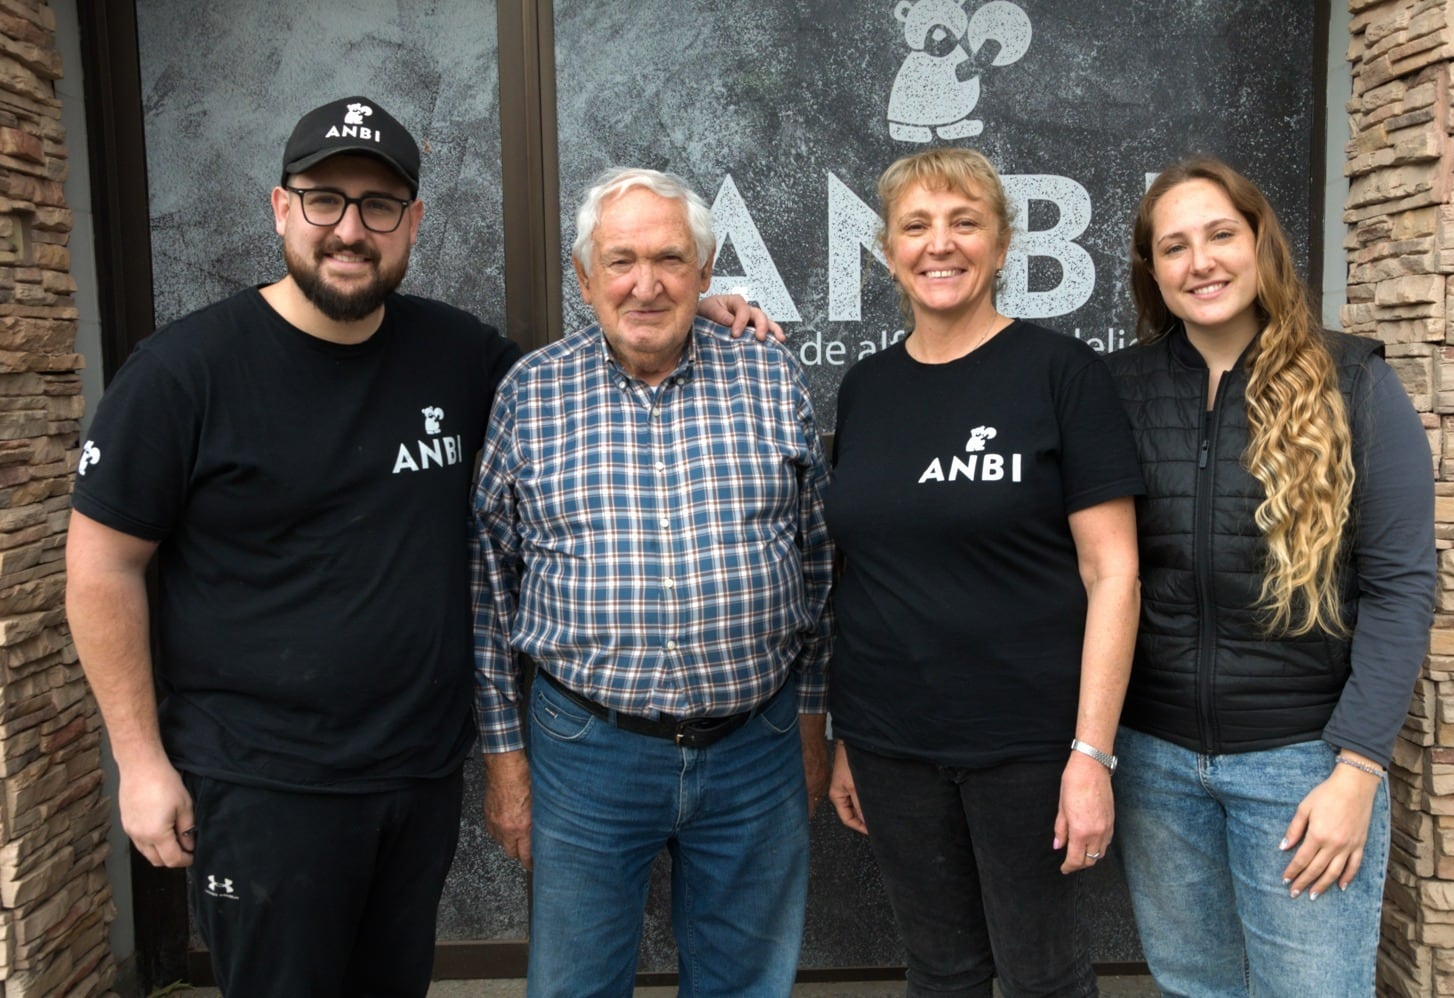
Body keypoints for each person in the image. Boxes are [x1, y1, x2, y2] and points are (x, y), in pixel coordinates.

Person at [64, 97, 773, 997]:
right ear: (281, 209)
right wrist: (139, 761)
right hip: (264, 785)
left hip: (415, 776)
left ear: (414, 223)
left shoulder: (460, 357)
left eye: (379, 205)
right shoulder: (182, 374)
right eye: (325, 200)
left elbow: (591, 376)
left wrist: (683, 305)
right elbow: (100, 567)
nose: (350, 229)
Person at [471, 165, 834, 997]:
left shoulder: (770, 376)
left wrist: (811, 720)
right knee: (576, 985)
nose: (646, 283)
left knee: (745, 983)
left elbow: (818, 563)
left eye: (670, 259)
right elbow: (488, 593)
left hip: (756, 746)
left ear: (706, 274)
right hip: (586, 751)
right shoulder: (530, 394)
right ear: (584, 276)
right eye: (621, 259)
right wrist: (504, 760)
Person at [1105, 155, 1436, 997]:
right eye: (1174, 246)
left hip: (1303, 769)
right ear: (1153, 271)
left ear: (1261, 244)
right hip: (1155, 765)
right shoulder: (1118, 391)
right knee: (1195, 989)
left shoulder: (1352, 379)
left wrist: (1358, 770)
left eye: (1221, 234)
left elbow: (1401, 587)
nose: (1201, 261)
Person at [824, 147, 1143, 998]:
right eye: (917, 225)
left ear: (1002, 247)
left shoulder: (1061, 374)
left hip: (1029, 747)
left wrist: (1091, 755)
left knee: (1042, 976)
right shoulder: (866, 389)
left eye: (965, 223)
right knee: (941, 971)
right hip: (892, 743)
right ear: (888, 249)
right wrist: (849, 737)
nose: (941, 244)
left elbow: (1114, 574)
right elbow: (863, 571)